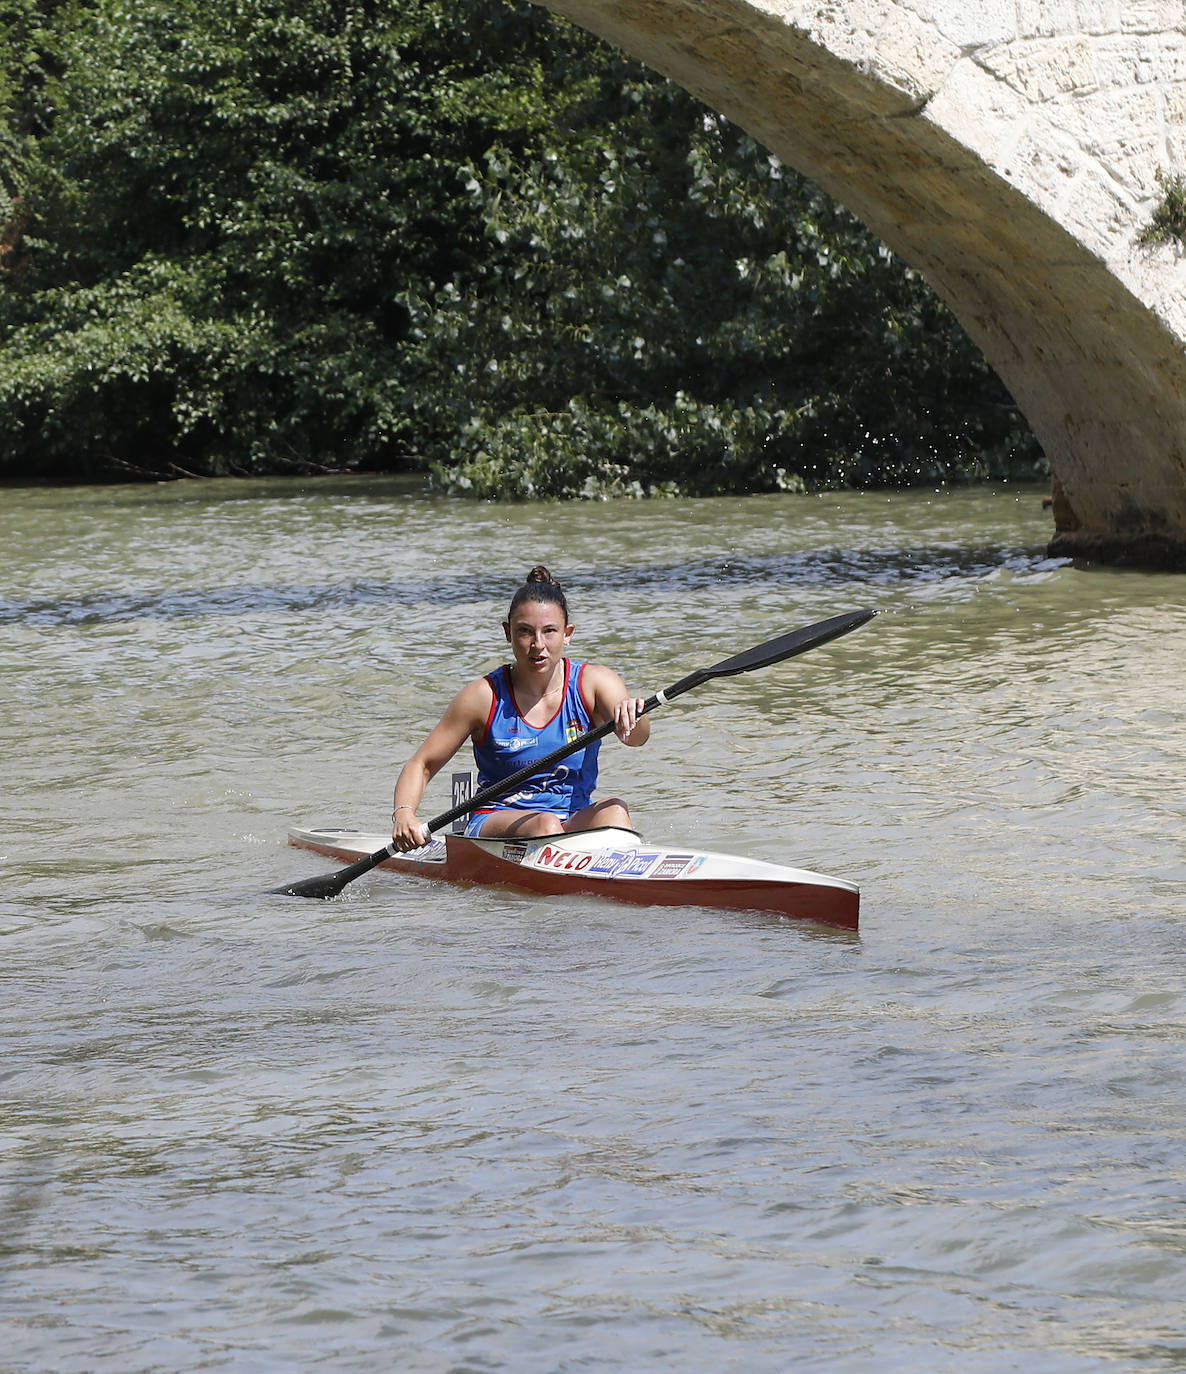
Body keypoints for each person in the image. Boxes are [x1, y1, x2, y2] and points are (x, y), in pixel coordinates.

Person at [391, 566, 650, 852]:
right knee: (545, 824)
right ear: (507, 632)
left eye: (549, 631)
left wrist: (633, 718)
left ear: (568, 634)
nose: (538, 645)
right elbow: (422, 764)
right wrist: (404, 814)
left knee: (615, 810)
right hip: (494, 820)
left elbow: (636, 739)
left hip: (570, 820)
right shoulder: (483, 696)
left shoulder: (595, 683)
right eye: (525, 632)